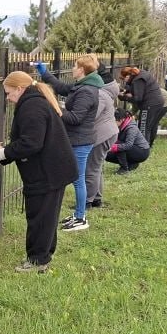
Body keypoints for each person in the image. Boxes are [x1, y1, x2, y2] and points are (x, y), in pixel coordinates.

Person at [0, 71, 75, 272]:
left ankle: (37, 261)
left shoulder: (31, 106)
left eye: (9, 93)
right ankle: (43, 256)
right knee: (47, 216)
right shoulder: (35, 101)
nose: (8, 98)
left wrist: (3, 153)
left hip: (46, 172)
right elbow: (28, 141)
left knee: (40, 217)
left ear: (19, 88)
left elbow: (31, 143)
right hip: (53, 169)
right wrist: (4, 157)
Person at [34, 56, 100, 232]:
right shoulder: (81, 85)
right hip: (76, 139)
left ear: (82, 70)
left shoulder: (86, 91)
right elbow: (62, 88)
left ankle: (81, 218)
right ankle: (78, 215)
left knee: (78, 179)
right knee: (73, 177)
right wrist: (44, 72)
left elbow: (75, 118)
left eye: (75, 66)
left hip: (80, 141)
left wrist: (55, 107)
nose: (72, 68)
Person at [84, 63, 119, 209]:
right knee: (97, 168)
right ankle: (96, 198)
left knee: (90, 169)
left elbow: (90, 115)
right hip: (106, 133)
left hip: (101, 135)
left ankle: (88, 201)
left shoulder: (101, 94)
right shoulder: (105, 92)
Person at [119, 66, 164, 147]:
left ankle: (143, 147)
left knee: (143, 126)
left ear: (128, 76)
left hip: (149, 104)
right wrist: (127, 92)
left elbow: (138, 98)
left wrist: (124, 97)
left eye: (123, 79)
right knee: (151, 125)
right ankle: (149, 145)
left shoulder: (137, 80)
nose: (123, 81)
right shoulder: (141, 73)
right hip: (158, 102)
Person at [105, 108, 150, 173]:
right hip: (133, 150)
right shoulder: (120, 125)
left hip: (142, 151)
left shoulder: (131, 128)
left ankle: (124, 169)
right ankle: (132, 163)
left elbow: (128, 145)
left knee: (119, 146)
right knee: (106, 155)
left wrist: (113, 147)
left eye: (113, 121)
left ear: (121, 120)